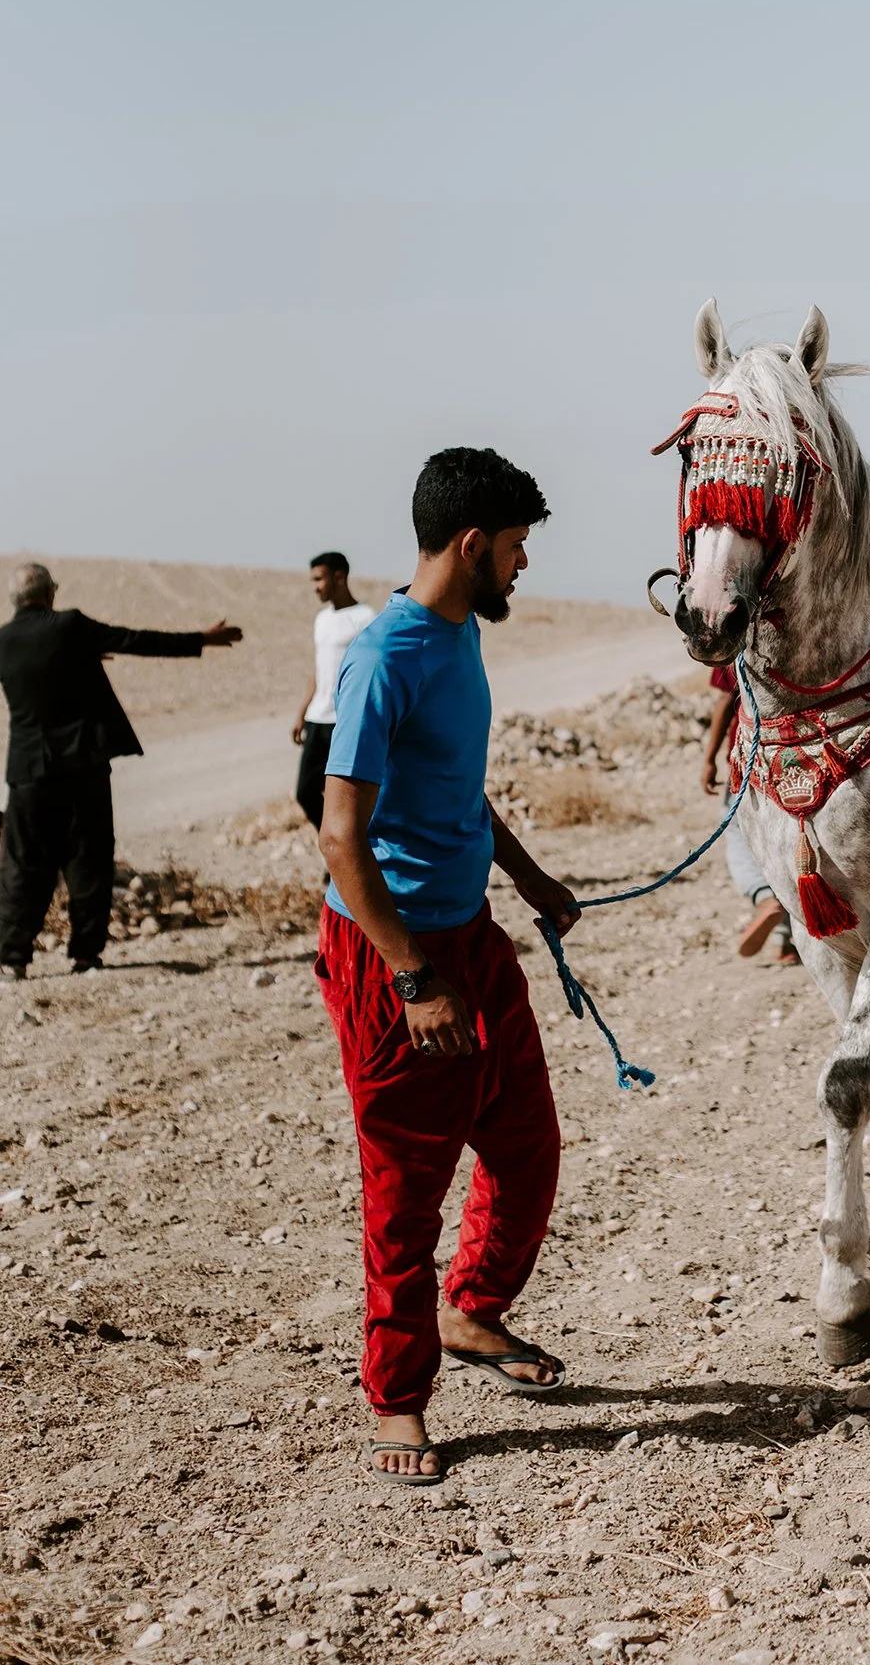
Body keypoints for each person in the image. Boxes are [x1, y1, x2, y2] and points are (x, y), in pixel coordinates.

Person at [317, 448, 582, 1486]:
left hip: (472, 930)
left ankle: (474, 1314)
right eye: (516, 548)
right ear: (472, 544)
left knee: (528, 1147)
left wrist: (532, 877)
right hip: (397, 952)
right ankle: (399, 1397)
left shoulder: (462, 632)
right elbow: (342, 834)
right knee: (406, 1185)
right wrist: (415, 980)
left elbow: (457, 793)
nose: (523, 567)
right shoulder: (387, 656)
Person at [0, 563, 243, 979]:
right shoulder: (70, 626)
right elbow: (133, 640)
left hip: (28, 770)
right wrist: (202, 639)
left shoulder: (3, 640)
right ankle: (85, 955)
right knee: (88, 860)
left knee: (24, 865)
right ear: (51, 591)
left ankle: (12, 958)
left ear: (13, 600)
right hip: (83, 766)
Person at [702, 664, 796, 964]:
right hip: (799, 751)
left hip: (751, 755)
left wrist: (709, 759)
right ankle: (785, 940)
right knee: (787, 843)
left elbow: (724, 701)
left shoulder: (737, 634)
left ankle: (763, 896)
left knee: (739, 834)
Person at [291, 552, 375, 830]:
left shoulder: (364, 618)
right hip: (317, 720)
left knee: (348, 798)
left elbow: (371, 672)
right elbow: (319, 669)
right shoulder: (321, 619)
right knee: (305, 792)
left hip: (345, 723)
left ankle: (345, 854)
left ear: (339, 577)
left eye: (319, 579)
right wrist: (302, 713)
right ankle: (333, 847)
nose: (315, 586)